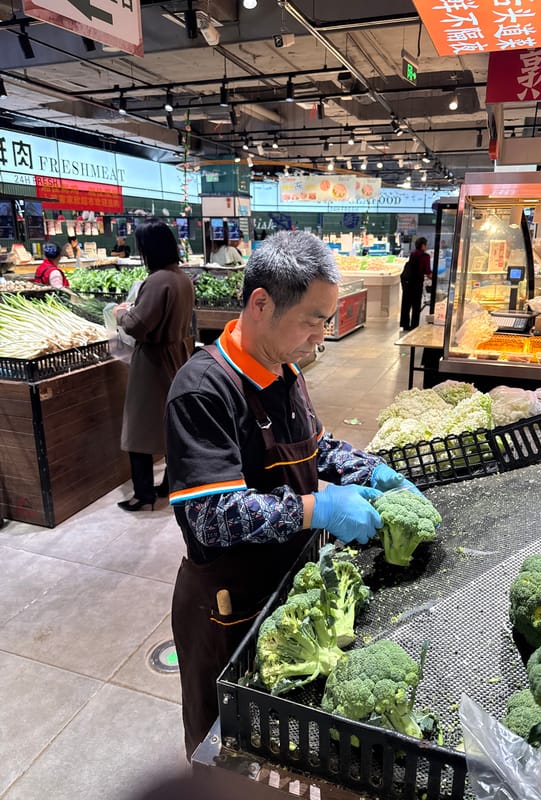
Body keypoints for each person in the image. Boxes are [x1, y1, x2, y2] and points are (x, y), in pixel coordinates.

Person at [165, 230, 421, 759]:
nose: (322, 337)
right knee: (225, 751)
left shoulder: (285, 370)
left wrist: (370, 471)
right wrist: (318, 507)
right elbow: (209, 517)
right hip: (226, 606)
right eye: (314, 319)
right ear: (261, 303)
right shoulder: (202, 389)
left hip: (287, 586)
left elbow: (315, 444)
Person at [114, 219, 195, 512]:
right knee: (172, 425)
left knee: (138, 429)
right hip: (177, 355)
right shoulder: (181, 278)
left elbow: (137, 326)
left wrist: (121, 313)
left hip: (152, 362)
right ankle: (170, 484)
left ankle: (143, 494)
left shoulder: (158, 280)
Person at [400, 236, 432, 331]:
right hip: (417, 283)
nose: (426, 247)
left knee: (406, 303)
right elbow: (427, 271)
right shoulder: (425, 256)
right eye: (425, 245)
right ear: (422, 245)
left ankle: (405, 324)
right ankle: (414, 325)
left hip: (407, 282)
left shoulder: (413, 254)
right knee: (416, 304)